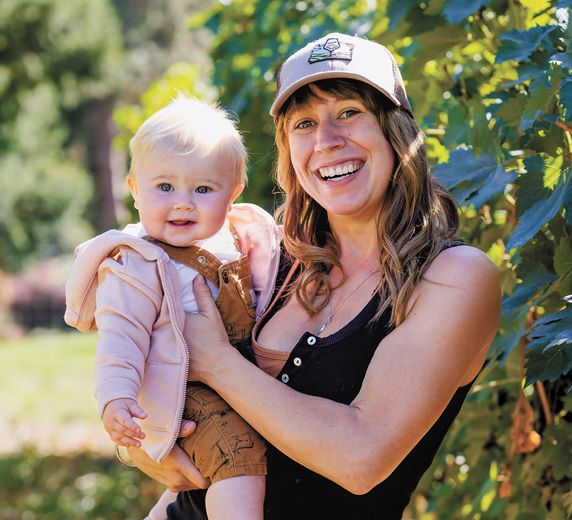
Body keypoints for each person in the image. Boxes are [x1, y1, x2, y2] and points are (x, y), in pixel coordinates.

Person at [126, 33, 502, 519]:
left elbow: (362, 458)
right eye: (304, 123)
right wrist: (138, 441)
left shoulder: (453, 278)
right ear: (288, 149)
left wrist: (217, 361)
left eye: (348, 112)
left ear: (396, 131)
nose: (326, 141)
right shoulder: (266, 259)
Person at [64, 96, 283, 519]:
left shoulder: (241, 240)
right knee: (239, 458)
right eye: (164, 187)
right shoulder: (136, 264)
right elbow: (120, 339)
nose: (183, 202)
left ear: (232, 194)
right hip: (187, 391)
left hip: (242, 380)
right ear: (134, 189)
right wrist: (116, 399)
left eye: (203, 189)